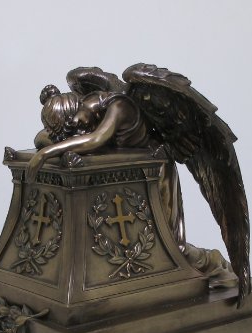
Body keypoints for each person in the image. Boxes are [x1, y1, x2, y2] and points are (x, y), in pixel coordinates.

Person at [27, 89, 237, 287]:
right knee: (147, 247)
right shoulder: (87, 112)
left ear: (78, 107)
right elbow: (41, 137)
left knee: (172, 246)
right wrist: (49, 144)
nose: (79, 131)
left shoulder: (118, 106)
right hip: (132, 177)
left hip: (157, 172)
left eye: (77, 124)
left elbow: (95, 140)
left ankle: (216, 264)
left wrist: (45, 154)